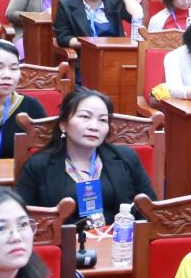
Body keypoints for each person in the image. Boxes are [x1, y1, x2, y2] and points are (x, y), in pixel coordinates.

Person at [14, 89, 156, 226]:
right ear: (63, 124)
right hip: (65, 241)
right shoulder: (39, 165)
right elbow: (21, 217)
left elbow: (149, 211)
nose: (94, 126)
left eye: (102, 120)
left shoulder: (126, 158)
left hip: (119, 239)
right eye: (85, 117)